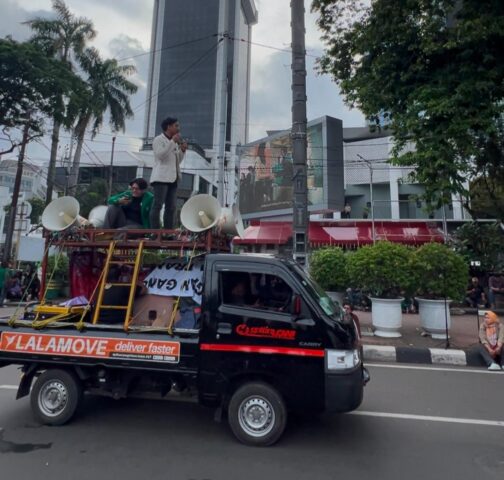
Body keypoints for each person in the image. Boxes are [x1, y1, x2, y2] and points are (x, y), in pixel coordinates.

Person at [150, 117, 187, 229]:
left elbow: (177, 161)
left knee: (171, 207)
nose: (178, 128)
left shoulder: (174, 142)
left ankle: (168, 232)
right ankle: (155, 232)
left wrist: (182, 151)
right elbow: (160, 155)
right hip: (161, 178)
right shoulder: (158, 139)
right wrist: (172, 142)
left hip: (173, 178)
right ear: (169, 126)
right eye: (176, 126)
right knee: (158, 205)